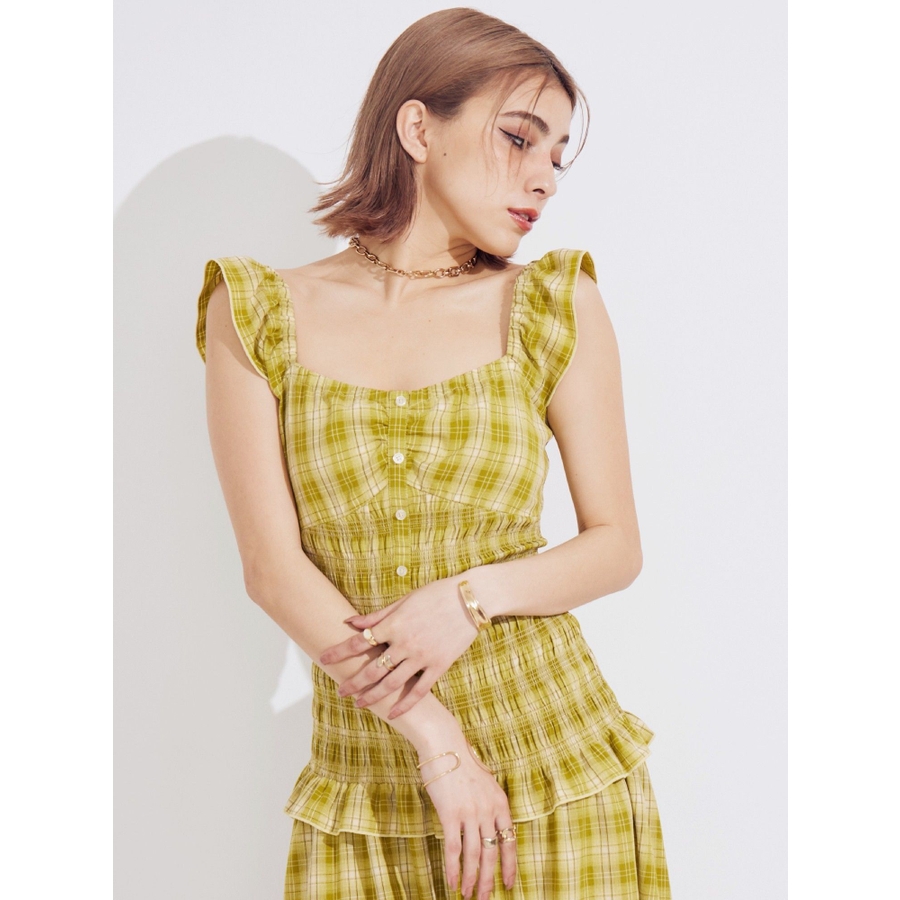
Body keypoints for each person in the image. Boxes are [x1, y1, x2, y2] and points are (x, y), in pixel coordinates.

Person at [194, 7, 671, 899]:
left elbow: (616, 546)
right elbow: (272, 570)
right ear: (418, 128)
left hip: (558, 770)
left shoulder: (553, 303)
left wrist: (467, 600)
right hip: (367, 795)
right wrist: (440, 746)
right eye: (519, 137)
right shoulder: (254, 312)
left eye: (557, 155)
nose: (544, 178)